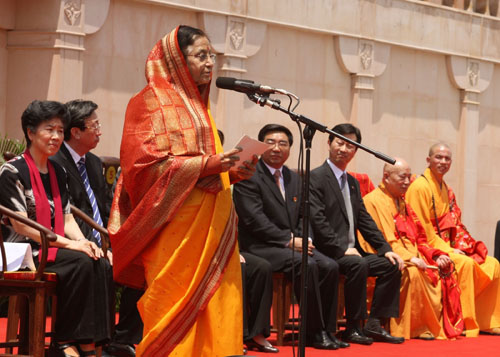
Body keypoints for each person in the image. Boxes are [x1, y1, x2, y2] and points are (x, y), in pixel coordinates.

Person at [108, 25, 257, 356]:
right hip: (174, 228)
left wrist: (232, 172)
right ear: (177, 59)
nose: (209, 63)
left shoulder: (200, 109)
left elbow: (205, 172)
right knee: (173, 304)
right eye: (200, 55)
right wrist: (207, 165)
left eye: (211, 56)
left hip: (214, 226)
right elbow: (142, 171)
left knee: (220, 303)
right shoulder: (148, 102)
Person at [0, 100, 111, 357]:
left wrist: (85, 242)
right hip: (22, 251)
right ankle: (64, 342)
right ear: (30, 132)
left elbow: (67, 218)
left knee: (98, 260)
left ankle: (93, 343)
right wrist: (72, 245)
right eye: (49, 129)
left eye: (60, 131)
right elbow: (21, 225)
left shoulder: (58, 171)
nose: (56, 136)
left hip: (53, 246)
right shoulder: (12, 171)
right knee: (80, 262)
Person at [233, 124, 343, 350]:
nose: (276, 148)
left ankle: (327, 329)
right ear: (262, 146)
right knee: (307, 264)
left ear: (290, 148)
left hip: (292, 244)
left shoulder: (295, 178)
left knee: (330, 265)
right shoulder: (249, 174)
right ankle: (312, 332)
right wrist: (289, 240)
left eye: (282, 143)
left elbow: (305, 215)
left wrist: (307, 239)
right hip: (259, 245)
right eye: (271, 143)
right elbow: (254, 219)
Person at [51, 99, 143, 355]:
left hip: (101, 237)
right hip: (71, 239)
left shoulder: (93, 162)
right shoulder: (56, 162)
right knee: (98, 263)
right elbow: (70, 213)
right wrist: (97, 243)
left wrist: (117, 241)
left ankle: (122, 338)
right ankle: (88, 340)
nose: (100, 130)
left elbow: (104, 209)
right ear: (76, 131)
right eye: (95, 125)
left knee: (140, 261)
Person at [309, 123, 405, 345]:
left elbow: (364, 220)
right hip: (328, 252)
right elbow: (318, 220)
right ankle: (353, 327)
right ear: (329, 143)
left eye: (349, 145)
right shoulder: (316, 177)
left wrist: (385, 249)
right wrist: (341, 248)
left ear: (356, 150)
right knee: (357, 265)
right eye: (339, 143)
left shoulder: (351, 182)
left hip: (353, 252)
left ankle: (373, 324)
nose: (343, 149)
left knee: (392, 265)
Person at [361, 158, 463, 340]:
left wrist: (434, 255)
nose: (408, 182)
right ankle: (407, 328)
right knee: (413, 272)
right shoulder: (373, 201)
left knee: (440, 272)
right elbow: (383, 241)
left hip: (411, 254)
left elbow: (420, 237)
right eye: (402, 177)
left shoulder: (403, 204)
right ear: (386, 177)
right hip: (387, 256)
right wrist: (409, 258)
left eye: (409, 177)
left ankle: (426, 325)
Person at [406, 143, 500, 336]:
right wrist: (447, 250)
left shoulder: (446, 190)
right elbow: (421, 230)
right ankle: (463, 321)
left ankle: (487, 321)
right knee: (465, 264)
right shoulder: (419, 187)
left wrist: (460, 246)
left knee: (493, 263)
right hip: (428, 248)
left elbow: (456, 224)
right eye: (438, 157)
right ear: (428, 160)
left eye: (447, 158)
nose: (443, 162)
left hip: (447, 246)